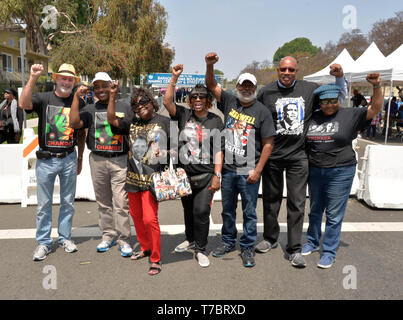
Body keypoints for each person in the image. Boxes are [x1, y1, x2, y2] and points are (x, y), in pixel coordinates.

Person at [256, 56, 347, 268]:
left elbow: (336, 97)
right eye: (283, 69)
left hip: (299, 157)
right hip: (273, 156)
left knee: (297, 203)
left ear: (296, 71)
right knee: (271, 200)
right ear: (277, 70)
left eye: (291, 70)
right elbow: (258, 120)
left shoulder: (310, 89)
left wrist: (340, 77)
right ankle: (270, 238)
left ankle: (294, 248)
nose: (287, 73)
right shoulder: (266, 92)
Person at [302, 73, 382, 269]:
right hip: (315, 171)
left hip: (340, 171)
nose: (329, 105)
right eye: (325, 101)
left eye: (333, 100)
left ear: (339, 99)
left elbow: (375, 108)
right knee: (314, 210)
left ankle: (329, 251)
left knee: (334, 215)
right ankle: (312, 241)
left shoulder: (350, 114)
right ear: (319, 102)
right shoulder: (312, 117)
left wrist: (377, 87)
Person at [205, 52, 276, 268]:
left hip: (249, 171)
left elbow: (268, 144)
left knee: (249, 211)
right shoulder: (229, 101)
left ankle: (247, 247)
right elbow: (211, 84)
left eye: (250, 86)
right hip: (227, 169)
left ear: (255, 88)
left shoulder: (262, 111)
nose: (246, 89)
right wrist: (209, 65)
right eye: (242, 85)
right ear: (237, 86)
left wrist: (258, 170)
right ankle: (227, 241)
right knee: (227, 209)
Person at [19, 63, 86, 261]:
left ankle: (65, 238)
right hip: (46, 159)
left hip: (69, 158)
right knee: (44, 204)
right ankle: (44, 242)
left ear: (74, 82)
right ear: (56, 79)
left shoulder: (78, 102)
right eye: (63, 78)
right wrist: (32, 77)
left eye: (70, 79)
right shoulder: (44, 98)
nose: (66, 82)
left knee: (68, 202)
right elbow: (23, 104)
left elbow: (81, 134)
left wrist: (80, 157)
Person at [163, 64, 224, 268]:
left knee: (200, 212)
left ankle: (201, 248)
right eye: (194, 97)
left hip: (206, 175)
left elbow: (218, 150)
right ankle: (190, 239)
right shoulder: (183, 115)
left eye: (202, 97)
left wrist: (217, 175)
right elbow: (167, 101)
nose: (198, 100)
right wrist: (174, 77)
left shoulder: (216, 121)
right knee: (187, 211)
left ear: (208, 100)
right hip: (184, 175)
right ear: (190, 100)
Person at [107, 83, 170, 276]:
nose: (139, 106)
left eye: (143, 102)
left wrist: (165, 151)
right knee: (137, 217)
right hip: (133, 179)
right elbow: (111, 119)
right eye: (135, 104)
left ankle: (156, 258)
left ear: (152, 102)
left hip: (152, 181)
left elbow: (178, 148)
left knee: (150, 219)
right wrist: (112, 96)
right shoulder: (132, 122)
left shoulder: (164, 121)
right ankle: (146, 248)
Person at [69, 72, 133, 257]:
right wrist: (76, 97)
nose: (100, 90)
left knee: (121, 202)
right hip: (97, 159)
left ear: (111, 85)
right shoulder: (90, 109)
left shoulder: (124, 106)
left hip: (120, 159)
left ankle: (124, 240)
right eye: (96, 87)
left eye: (103, 85)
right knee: (103, 202)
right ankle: (107, 235)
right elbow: (74, 123)